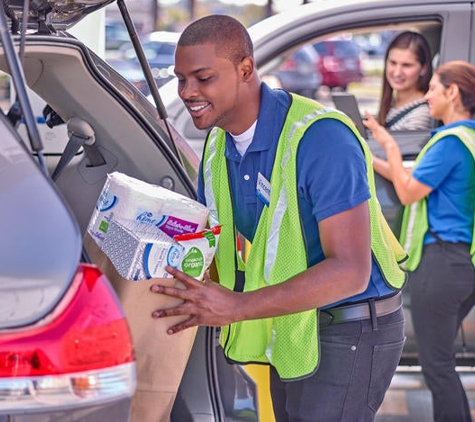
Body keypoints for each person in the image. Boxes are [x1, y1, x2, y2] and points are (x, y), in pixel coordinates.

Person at [150, 14, 407, 421]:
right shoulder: (219, 145)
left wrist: (236, 306)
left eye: (202, 77)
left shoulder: (320, 138)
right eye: (181, 79)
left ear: (245, 69)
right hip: (293, 324)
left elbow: (351, 271)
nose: (187, 92)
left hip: (352, 329)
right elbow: (216, 247)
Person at [363, 60, 475, 422]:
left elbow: (408, 192)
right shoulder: (468, 138)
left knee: (437, 366)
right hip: (462, 265)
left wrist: (389, 144)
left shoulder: (449, 142)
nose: (426, 96)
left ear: (452, 92)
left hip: (441, 265)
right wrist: (371, 153)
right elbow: (409, 177)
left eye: (433, 88)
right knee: (440, 362)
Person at [376, 31, 433, 131]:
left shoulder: (421, 115)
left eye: (406, 65)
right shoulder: (393, 103)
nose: (397, 73)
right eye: (393, 63)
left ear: (424, 68)